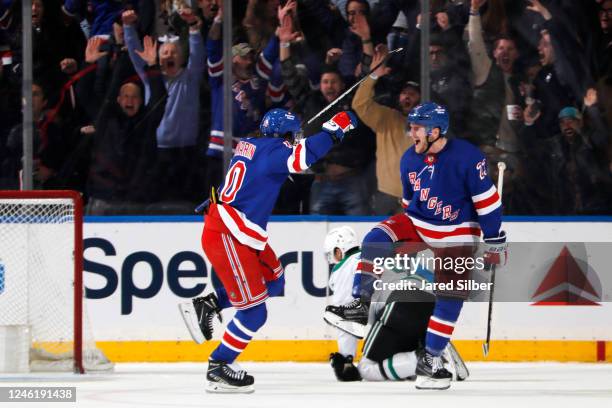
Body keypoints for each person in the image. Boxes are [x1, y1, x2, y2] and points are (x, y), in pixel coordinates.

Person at [325, 102, 506, 390]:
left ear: (436, 131)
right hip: (420, 223)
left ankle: (431, 360)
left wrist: (494, 239)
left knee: (450, 296)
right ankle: (360, 306)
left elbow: (487, 202)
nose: (411, 133)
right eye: (411, 127)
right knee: (375, 239)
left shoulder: (468, 157)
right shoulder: (410, 159)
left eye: (417, 128)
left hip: (458, 232)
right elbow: (409, 205)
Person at [179, 108, 359, 393]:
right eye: (292, 135)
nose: (294, 140)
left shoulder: (252, 146)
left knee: (275, 282)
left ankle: (210, 304)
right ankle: (219, 365)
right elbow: (301, 157)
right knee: (254, 313)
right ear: (284, 135)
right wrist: (332, 133)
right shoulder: (273, 151)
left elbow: (251, 180)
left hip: (243, 233)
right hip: (230, 235)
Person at [323, 226, 363, 382]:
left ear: (339, 251)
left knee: (369, 368)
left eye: (332, 253)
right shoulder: (371, 254)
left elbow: (345, 317)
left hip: (384, 322)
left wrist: (347, 358)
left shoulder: (343, 269)